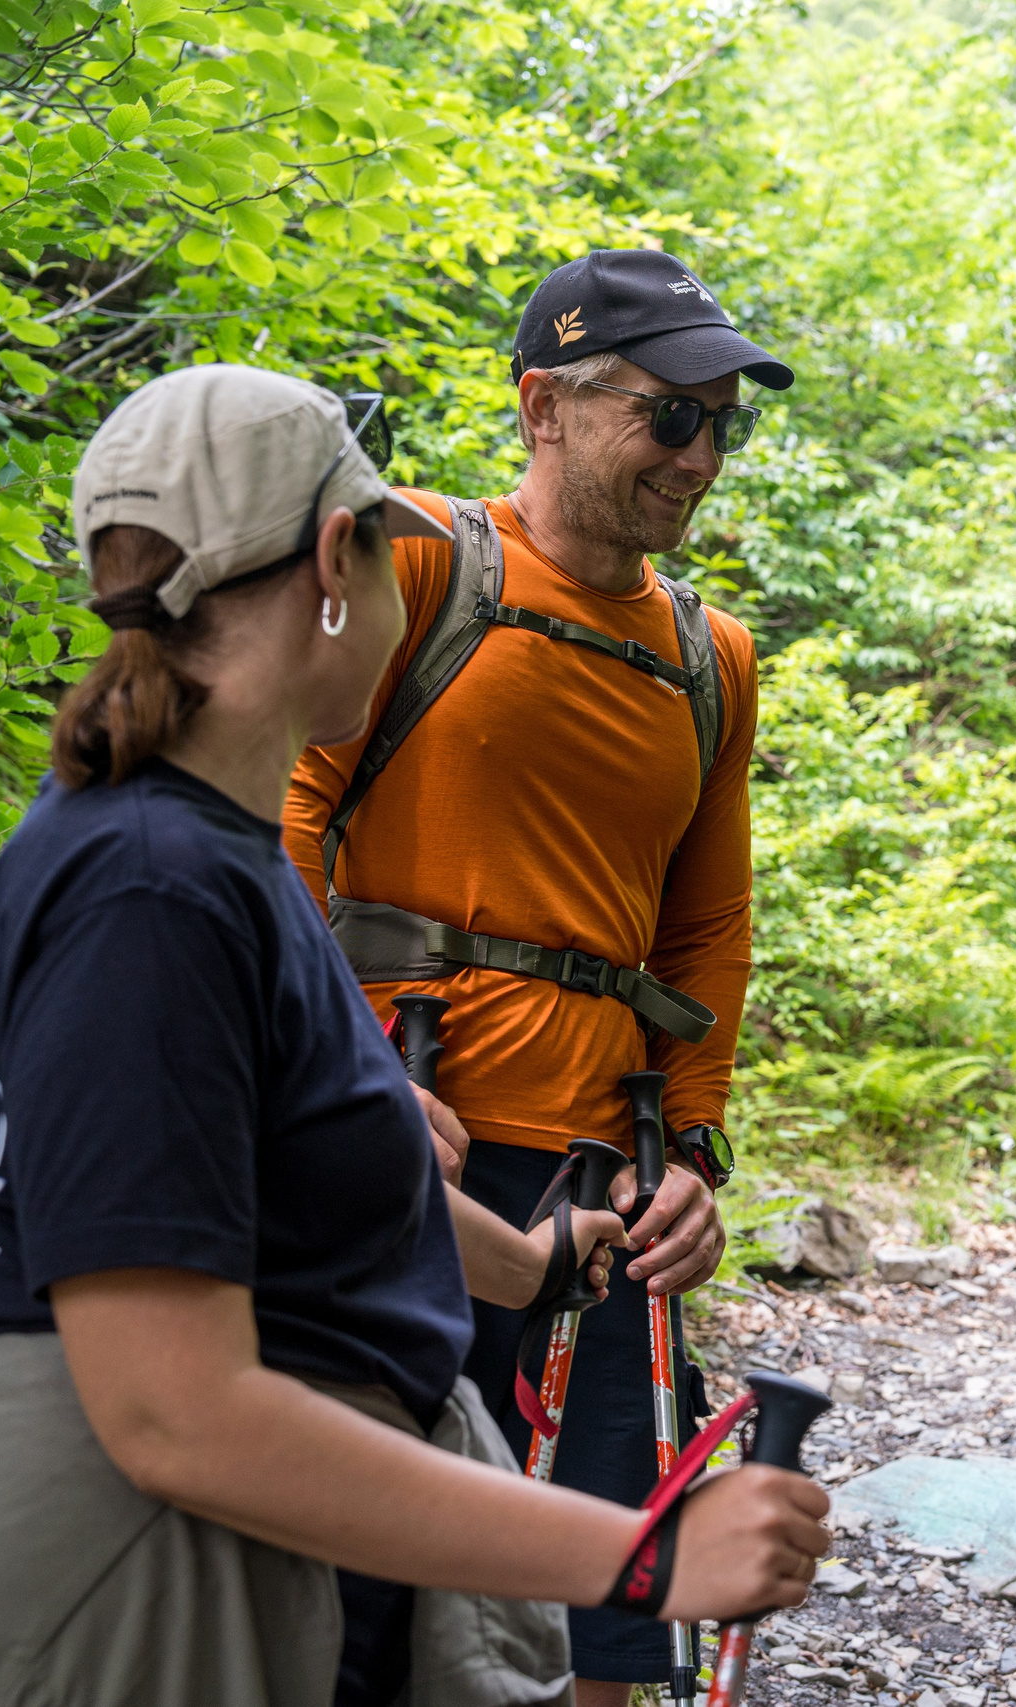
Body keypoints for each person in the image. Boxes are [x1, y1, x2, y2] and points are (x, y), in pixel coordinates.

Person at [0, 365, 828, 1707]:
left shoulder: (220, 869)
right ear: (338, 558)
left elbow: (246, 1190)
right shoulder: (149, 887)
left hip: (211, 1567)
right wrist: (640, 1555)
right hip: (112, 1590)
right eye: (391, 545)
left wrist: (536, 1267)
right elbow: (175, 1411)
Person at [283, 247, 780, 1706]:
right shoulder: (418, 562)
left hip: (604, 1175)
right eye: (668, 416)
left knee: (611, 1584)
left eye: (722, 422)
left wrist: (691, 1148)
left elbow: (705, 928)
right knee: (366, 1564)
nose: (700, 455)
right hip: (405, 1138)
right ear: (543, 405)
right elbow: (287, 815)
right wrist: (340, 1073)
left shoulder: (713, 656)